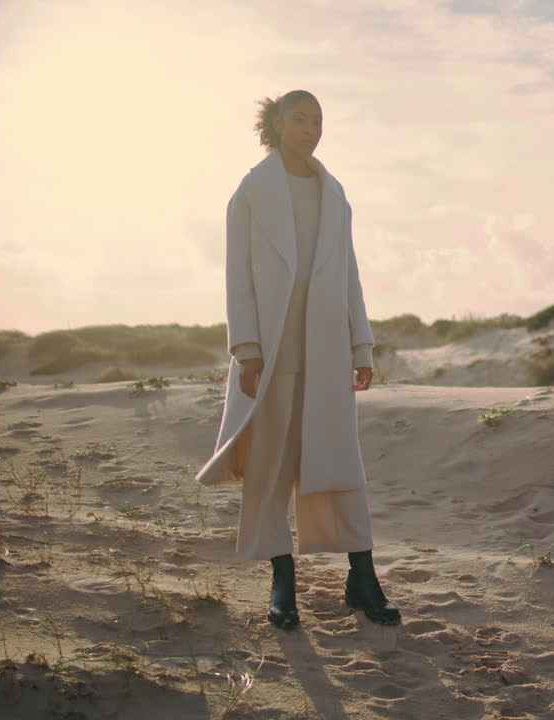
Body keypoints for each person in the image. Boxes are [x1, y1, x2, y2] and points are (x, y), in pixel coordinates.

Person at [193, 89, 399, 629]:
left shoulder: (335, 194)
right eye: (301, 119)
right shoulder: (251, 192)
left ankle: (363, 575)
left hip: (329, 347)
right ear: (277, 123)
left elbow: (349, 274)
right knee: (271, 465)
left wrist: (361, 345)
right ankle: (281, 581)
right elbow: (237, 275)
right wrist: (247, 350)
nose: (311, 129)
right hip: (274, 346)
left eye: (318, 120)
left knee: (338, 458)